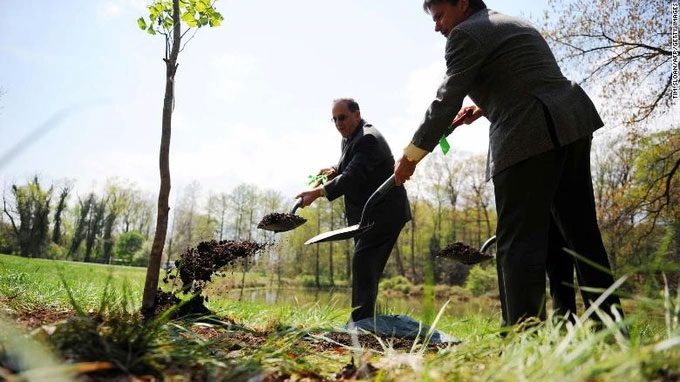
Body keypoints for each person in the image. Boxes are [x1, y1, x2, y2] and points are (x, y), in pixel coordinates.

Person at [393, 0, 623, 327]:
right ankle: (606, 329)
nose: (437, 26)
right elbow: (527, 77)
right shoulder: (514, 23)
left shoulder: (466, 35)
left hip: (527, 133)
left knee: (518, 244)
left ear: (462, 4)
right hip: (571, 123)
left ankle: (522, 337)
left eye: (440, 15)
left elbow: (446, 99)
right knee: (579, 237)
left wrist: (412, 154)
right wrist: (484, 107)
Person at [296, 98, 411, 322]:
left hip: (384, 214)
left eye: (343, 117)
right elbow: (349, 166)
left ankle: (360, 324)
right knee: (365, 266)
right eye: (335, 119)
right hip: (369, 217)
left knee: (363, 263)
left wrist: (317, 192)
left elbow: (352, 177)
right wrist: (333, 169)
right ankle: (363, 322)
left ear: (357, 115)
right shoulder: (351, 137)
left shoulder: (368, 139)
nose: (339, 123)